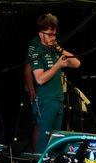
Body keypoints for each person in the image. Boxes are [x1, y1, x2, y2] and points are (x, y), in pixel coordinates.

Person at [28, 13, 81, 153]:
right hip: (46, 101)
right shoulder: (37, 53)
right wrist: (57, 65)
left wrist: (59, 48)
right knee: (44, 138)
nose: (53, 37)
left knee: (55, 138)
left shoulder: (54, 50)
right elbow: (39, 79)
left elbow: (76, 63)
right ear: (41, 34)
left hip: (58, 99)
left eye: (54, 34)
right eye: (50, 34)